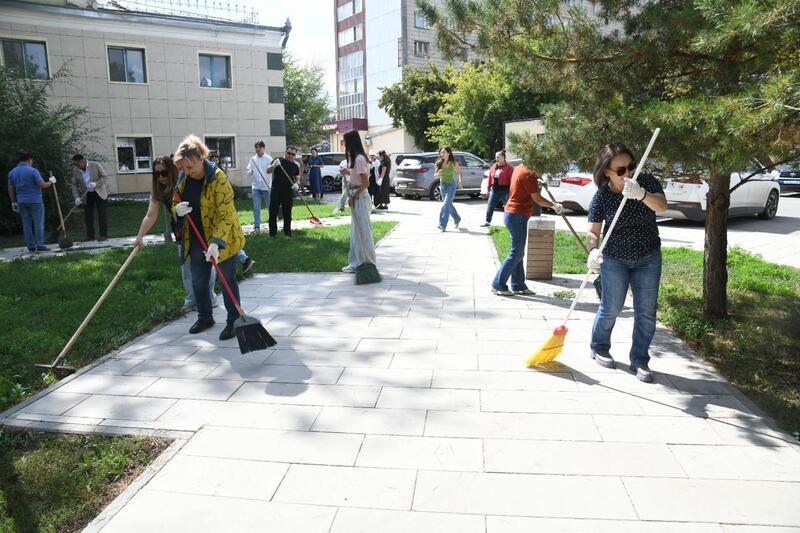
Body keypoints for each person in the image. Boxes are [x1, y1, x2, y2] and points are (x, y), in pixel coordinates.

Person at [586, 142, 668, 383]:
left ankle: (640, 359)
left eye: (631, 167)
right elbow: (593, 231)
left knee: (646, 312)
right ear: (607, 172)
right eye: (621, 170)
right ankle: (599, 347)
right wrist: (593, 250)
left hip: (648, 257)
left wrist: (641, 194)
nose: (629, 173)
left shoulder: (646, 181)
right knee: (611, 307)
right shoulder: (603, 196)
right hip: (614, 259)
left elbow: (662, 207)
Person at [171, 135, 245, 340]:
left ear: (201, 158)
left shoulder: (218, 178)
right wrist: (177, 210)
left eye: (189, 167)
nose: (187, 172)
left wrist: (216, 242)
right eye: (183, 168)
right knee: (198, 280)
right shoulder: (183, 178)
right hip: (196, 236)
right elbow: (175, 200)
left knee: (227, 279)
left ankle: (233, 321)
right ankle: (205, 317)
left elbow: (226, 214)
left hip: (223, 238)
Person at [134, 156, 219, 311]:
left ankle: (210, 297)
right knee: (186, 267)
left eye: (164, 173)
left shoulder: (183, 181)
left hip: (200, 227)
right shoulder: (158, 191)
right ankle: (192, 299)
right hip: (181, 230)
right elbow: (150, 215)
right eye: (157, 174)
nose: (161, 177)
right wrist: (140, 236)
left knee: (205, 263)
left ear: (172, 171)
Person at [492, 164, 563, 296]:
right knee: (517, 253)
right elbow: (537, 198)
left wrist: (537, 182)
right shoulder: (529, 173)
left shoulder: (519, 168)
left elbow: (523, 186)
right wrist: (554, 206)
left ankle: (518, 285)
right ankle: (498, 284)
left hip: (513, 214)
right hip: (517, 216)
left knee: (518, 252)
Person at [209, 152, 255, 274]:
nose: (215, 161)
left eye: (216, 159)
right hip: (218, 213)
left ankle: (244, 260)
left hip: (223, 213)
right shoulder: (209, 173)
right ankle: (244, 259)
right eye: (212, 159)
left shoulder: (218, 173)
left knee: (228, 240)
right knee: (228, 240)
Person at [341, 130, 377, 274]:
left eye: (345, 142)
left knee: (362, 232)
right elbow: (357, 176)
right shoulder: (357, 158)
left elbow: (365, 183)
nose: (345, 145)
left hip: (360, 197)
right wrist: (347, 172)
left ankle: (366, 263)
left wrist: (353, 196)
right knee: (357, 233)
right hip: (356, 195)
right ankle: (357, 262)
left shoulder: (360, 159)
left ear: (351, 142)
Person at [7, 152, 55, 252]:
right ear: (29, 160)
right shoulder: (33, 171)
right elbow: (42, 185)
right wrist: (51, 181)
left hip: (21, 201)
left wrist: (13, 202)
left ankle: (31, 246)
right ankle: (40, 245)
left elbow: (10, 188)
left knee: (26, 224)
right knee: (38, 223)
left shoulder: (12, 172)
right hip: (35, 200)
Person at [71, 154, 109, 241]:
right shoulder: (76, 170)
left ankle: (103, 235)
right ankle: (90, 236)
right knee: (88, 216)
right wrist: (76, 197)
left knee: (102, 214)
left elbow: (104, 176)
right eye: (75, 164)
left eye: (78, 164)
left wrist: (96, 184)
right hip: (87, 194)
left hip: (99, 192)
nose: (77, 166)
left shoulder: (95, 165)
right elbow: (74, 184)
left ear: (83, 161)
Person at [266, 145, 300, 238]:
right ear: (285, 152)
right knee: (273, 212)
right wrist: (273, 165)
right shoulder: (278, 160)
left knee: (287, 213)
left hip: (288, 191)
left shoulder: (295, 166)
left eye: (293, 154)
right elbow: (268, 170)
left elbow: (298, 178)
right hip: (276, 190)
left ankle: (287, 232)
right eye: (289, 153)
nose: (290, 155)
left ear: (295, 155)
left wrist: (297, 184)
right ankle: (272, 234)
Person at [481, 150, 514, 227]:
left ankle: (509, 222)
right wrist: (488, 188)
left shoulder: (509, 168)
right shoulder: (494, 166)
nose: (496, 159)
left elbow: (512, 180)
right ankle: (487, 221)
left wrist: (511, 191)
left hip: (505, 189)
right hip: (495, 189)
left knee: (507, 207)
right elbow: (490, 178)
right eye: (496, 157)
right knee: (490, 205)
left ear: (503, 157)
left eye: (498, 157)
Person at [246, 140, 273, 233]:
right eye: (256, 147)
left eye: (259, 147)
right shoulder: (253, 159)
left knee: (269, 206)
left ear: (263, 148)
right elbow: (248, 170)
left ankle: (272, 224)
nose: (257, 149)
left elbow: (272, 170)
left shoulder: (269, 159)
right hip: (256, 186)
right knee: (256, 207)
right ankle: (257, 226)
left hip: (266, 186)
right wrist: (250, 172)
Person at [434, 146, 463, 231]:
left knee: (446, 204)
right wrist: (438, 174)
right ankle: (457, 219)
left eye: (444, 152)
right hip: (442, 185)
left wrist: (460, 182)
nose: (442, 154)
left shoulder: (453, 163)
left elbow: (460, 172)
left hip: (451, 185)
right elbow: (435, 175)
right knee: (448, 204)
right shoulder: (439, 163)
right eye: (441, 152)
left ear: (449, 153)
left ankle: (442, 224)